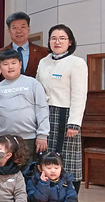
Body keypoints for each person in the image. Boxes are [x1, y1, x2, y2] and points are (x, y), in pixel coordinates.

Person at [36, 24, 88, 188]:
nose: (57, 42)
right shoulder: (43, 62)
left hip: (65, 117)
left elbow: (79, 95)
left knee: (68, 160)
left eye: (62, 38)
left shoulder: (76, 63)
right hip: (45, 114)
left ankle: (70, 197)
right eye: (53, 38)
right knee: (46, 158)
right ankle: (47, 195)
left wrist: (74, 123)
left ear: (70, 42)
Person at [0, 48, 50, 157]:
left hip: (29, 138)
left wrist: (42, 135)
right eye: (5, 64)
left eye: (13, 63)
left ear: (20, 65)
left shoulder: (33, 83)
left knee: (28, 167)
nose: (10, 67)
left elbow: (42, 109)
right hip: (4, 139)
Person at [26, 151, 90, 202]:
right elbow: (34, 201)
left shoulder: (66, 180)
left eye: (56, 168)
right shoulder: (33, 180)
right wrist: (43, 184)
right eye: (49, 168)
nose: (53, 171)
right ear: (40, 168)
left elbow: (72, 200)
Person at [0, 12, 49, 78]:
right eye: (14, 28)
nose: (19, 31)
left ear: (28, 29)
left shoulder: (44, 53)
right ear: (9, 31)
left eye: (23, 27)